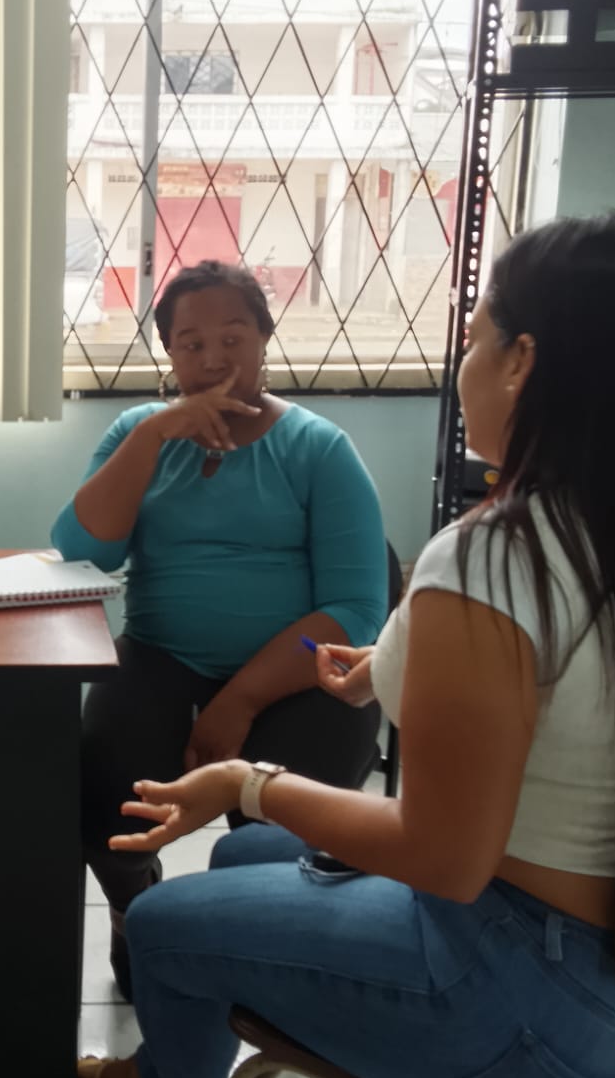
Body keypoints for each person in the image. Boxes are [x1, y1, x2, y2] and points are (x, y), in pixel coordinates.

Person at [77, 213, 615, 1078]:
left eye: (473, 342)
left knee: (165, 925)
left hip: (509, 989)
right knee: (244, 855)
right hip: (610, 982)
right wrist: (387, 671)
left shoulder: (491, 554)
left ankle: (160, 1073)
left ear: (521, 361)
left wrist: (248, 783)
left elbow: (443, 859)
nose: (462, 369)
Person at [50, 259, 389, 1000]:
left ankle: (251, 954)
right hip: (160, 655)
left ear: (264, 338)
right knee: (109, 812)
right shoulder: (138, 433)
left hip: (300, 671)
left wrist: (239, 701)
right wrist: (151, 437)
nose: (213, 359)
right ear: (169, 353)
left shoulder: (319, 449)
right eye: (191, 343)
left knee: (276, 841)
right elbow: (80, 551)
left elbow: (357, 610)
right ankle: (135, 913)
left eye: (233, 337)